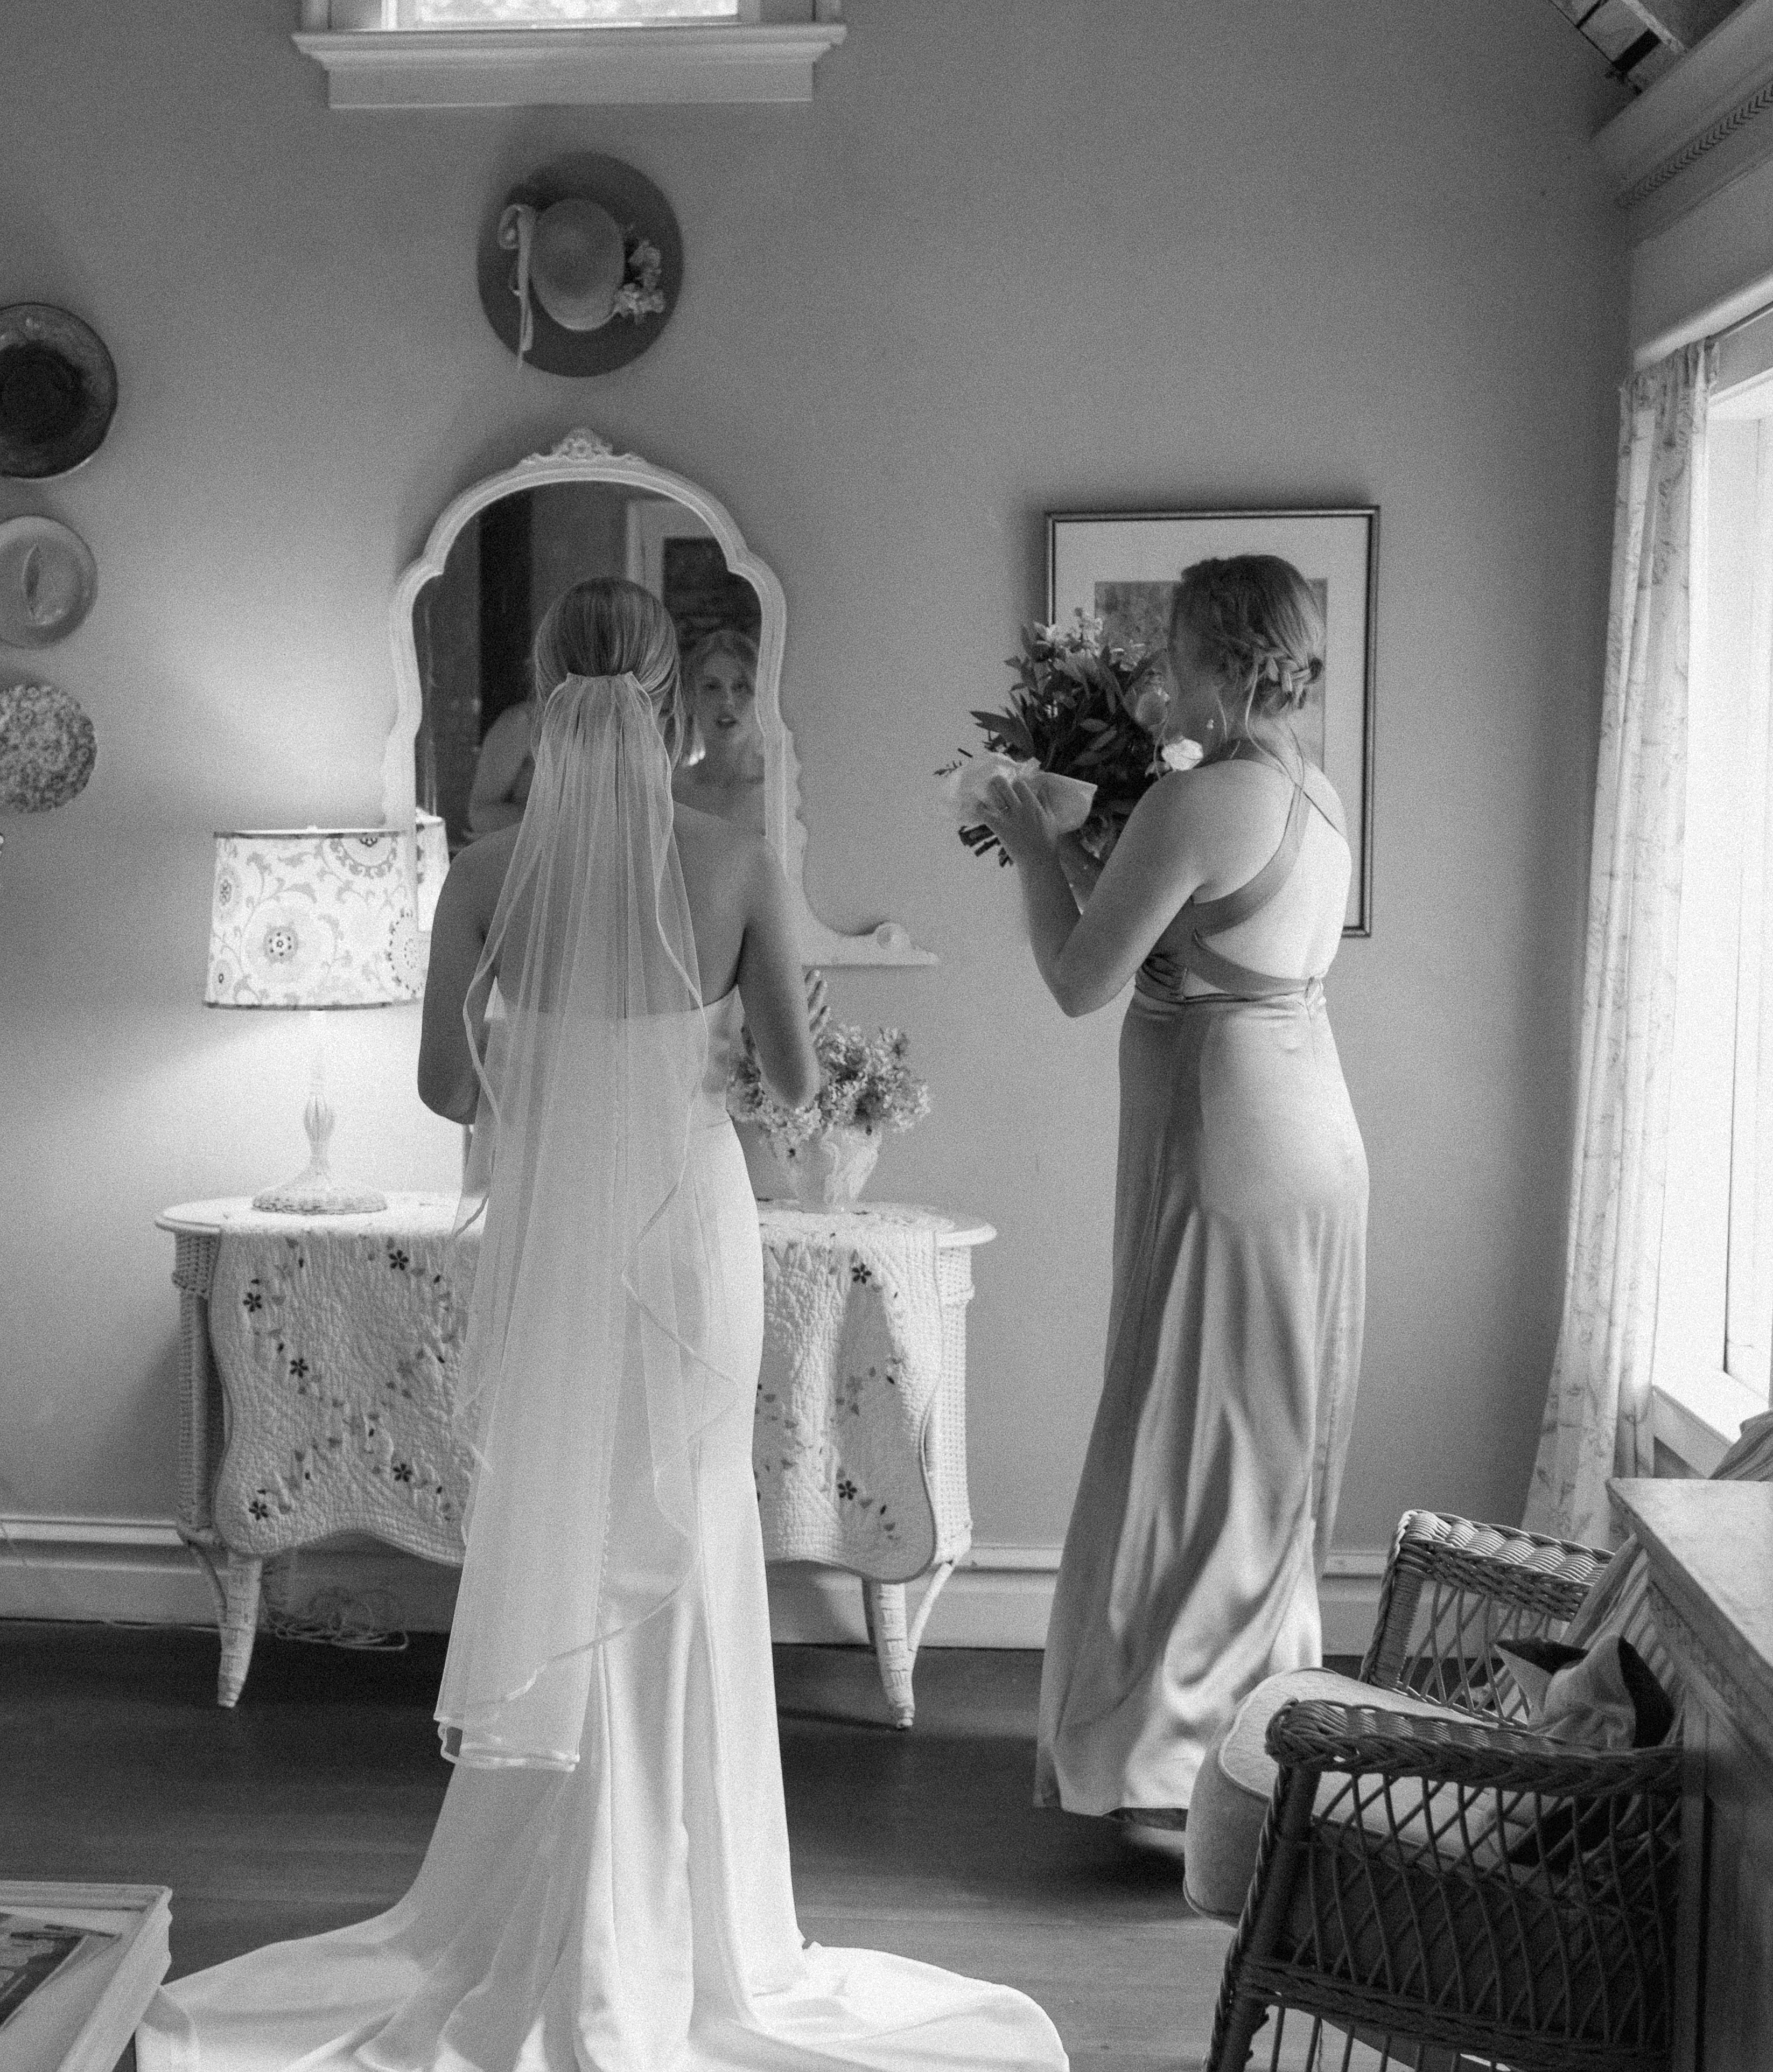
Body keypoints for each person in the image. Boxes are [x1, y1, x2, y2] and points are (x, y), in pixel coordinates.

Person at [143, 578, 1063, 2072]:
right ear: (661, 693)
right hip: (689, 1239)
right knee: (688, 1533)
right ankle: (698, 1920)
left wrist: (550, 1058)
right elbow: (785, 1083)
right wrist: (698, 1057)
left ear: (538, 686)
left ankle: (561, 1882)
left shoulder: (486, 873)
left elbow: (447, 1090)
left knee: (567, 1514)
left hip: (565, 1241)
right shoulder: (736, 859)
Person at [982, 555, 1368, 1831]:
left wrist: (1036, 840)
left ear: (1210, 657)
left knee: (1182, 1430)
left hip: (1225, 1136)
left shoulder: (1200, 798)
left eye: (1171, 654)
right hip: (1311, 1128)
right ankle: (1246, 1740)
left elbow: (1080, 978)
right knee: (1260, 1448)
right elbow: (1178, 937)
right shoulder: (1313, 793)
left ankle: (1163, 1761)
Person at [671, 624, 767, 830]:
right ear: (692, 697)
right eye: (712, 687)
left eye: (741, 686)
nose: (727, 701)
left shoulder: (778, 787)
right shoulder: (674, 791)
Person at [464, 694, 535, 836]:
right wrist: (554, 824)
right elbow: (480, 815)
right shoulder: (524, 722)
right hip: (532, 851)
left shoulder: (590, 724)